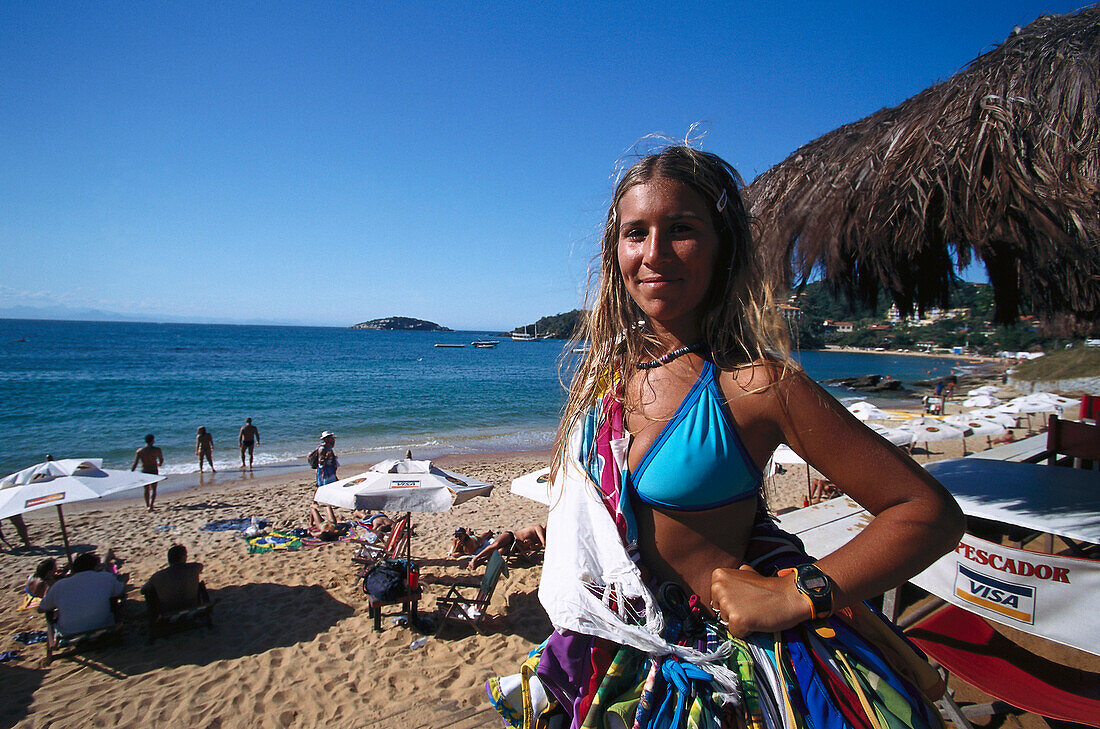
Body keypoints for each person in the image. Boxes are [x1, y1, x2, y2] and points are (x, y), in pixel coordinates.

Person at [486, 146, 964, 729]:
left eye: (682, 229)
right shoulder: (606, 372)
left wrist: (798, 595)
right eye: (636, 233)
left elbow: (927, 512)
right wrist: (550, 534)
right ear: (616, 250)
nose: (654, 254)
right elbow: (616, 508)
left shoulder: (754, 385)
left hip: (722, 668)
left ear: (723, 247)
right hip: (614, 652)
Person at [38, 552, 124, 636]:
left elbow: (41, 609)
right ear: (95, 567)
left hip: (69, 631)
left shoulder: (59, 585)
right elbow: (120, 593)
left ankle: (51, 640)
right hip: (103, 624)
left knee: (50, 611)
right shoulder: (106, 577)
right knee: (112, 597)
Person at [141, 544, 205, 614]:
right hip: (192, 608)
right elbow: (200, 566)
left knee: (150, 591)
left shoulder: (158, 576)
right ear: (184, 558)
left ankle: (154, 618)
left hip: (168, 612)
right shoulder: (194, 567)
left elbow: (143, 590)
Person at [468, 524, 544, 568]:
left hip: (517, 547)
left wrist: (531, 545)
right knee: (495, 545)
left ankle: (479, 562)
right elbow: (544, 545)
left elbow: (534, 548)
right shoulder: (538, 527)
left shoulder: (541, 539)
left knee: (498, 552)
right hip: (511, 536)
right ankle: (475, 558)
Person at [131, 433, 164, 511]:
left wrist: (132, 471)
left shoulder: (139, 451)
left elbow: (135, 463)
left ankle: (147, 505)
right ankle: (151, 506)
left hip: (144, 470)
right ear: (153, 441)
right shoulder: (157, 450)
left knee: (146, 489)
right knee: (154, 489)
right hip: (153, 470)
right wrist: (159, 464)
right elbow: (161, 459)